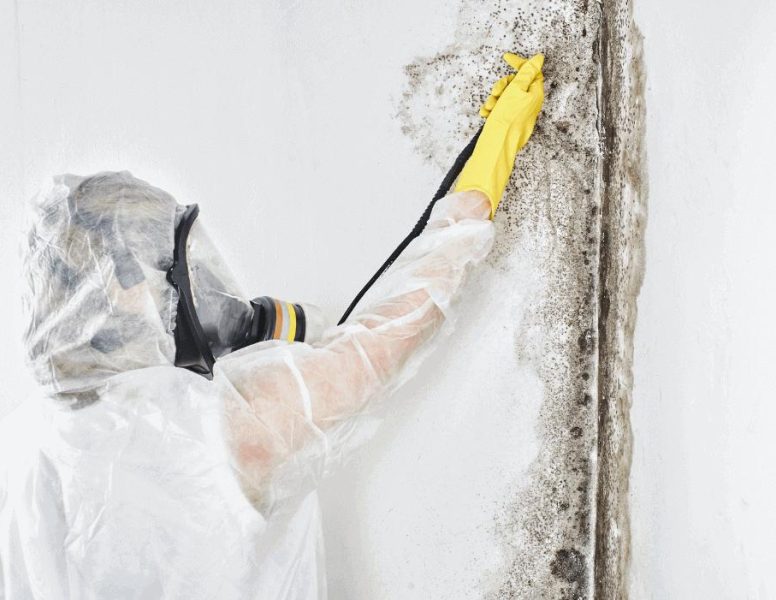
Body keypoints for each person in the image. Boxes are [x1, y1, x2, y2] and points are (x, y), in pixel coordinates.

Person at [0, 53, 544, 599]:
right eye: (166, 263)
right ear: (126, 286)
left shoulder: (19, 444)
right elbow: (379, 346)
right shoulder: (194, 432)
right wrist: (481, 179)